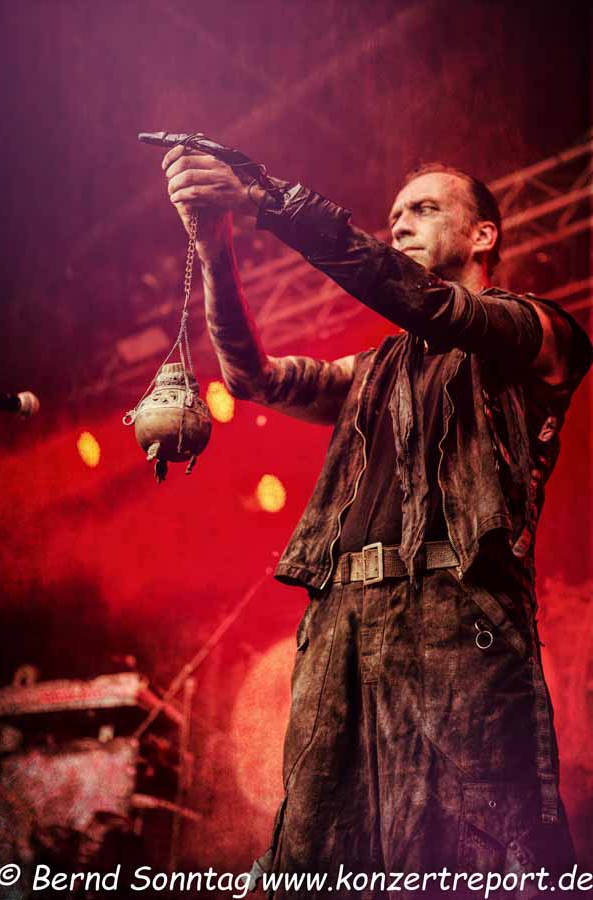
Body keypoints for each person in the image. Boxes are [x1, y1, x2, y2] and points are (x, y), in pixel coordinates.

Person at [161, 146, 592, 898]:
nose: (401, 226)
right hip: (342, 623)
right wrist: (216, 246)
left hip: (461, 614)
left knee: (482, 854)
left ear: (484, 235)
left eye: (424, 209)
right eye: (394, 217)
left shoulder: (539, 331)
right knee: (317, 851)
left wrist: (269, 203)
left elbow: (431, 307)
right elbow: (250, 377)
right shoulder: (371, 372)